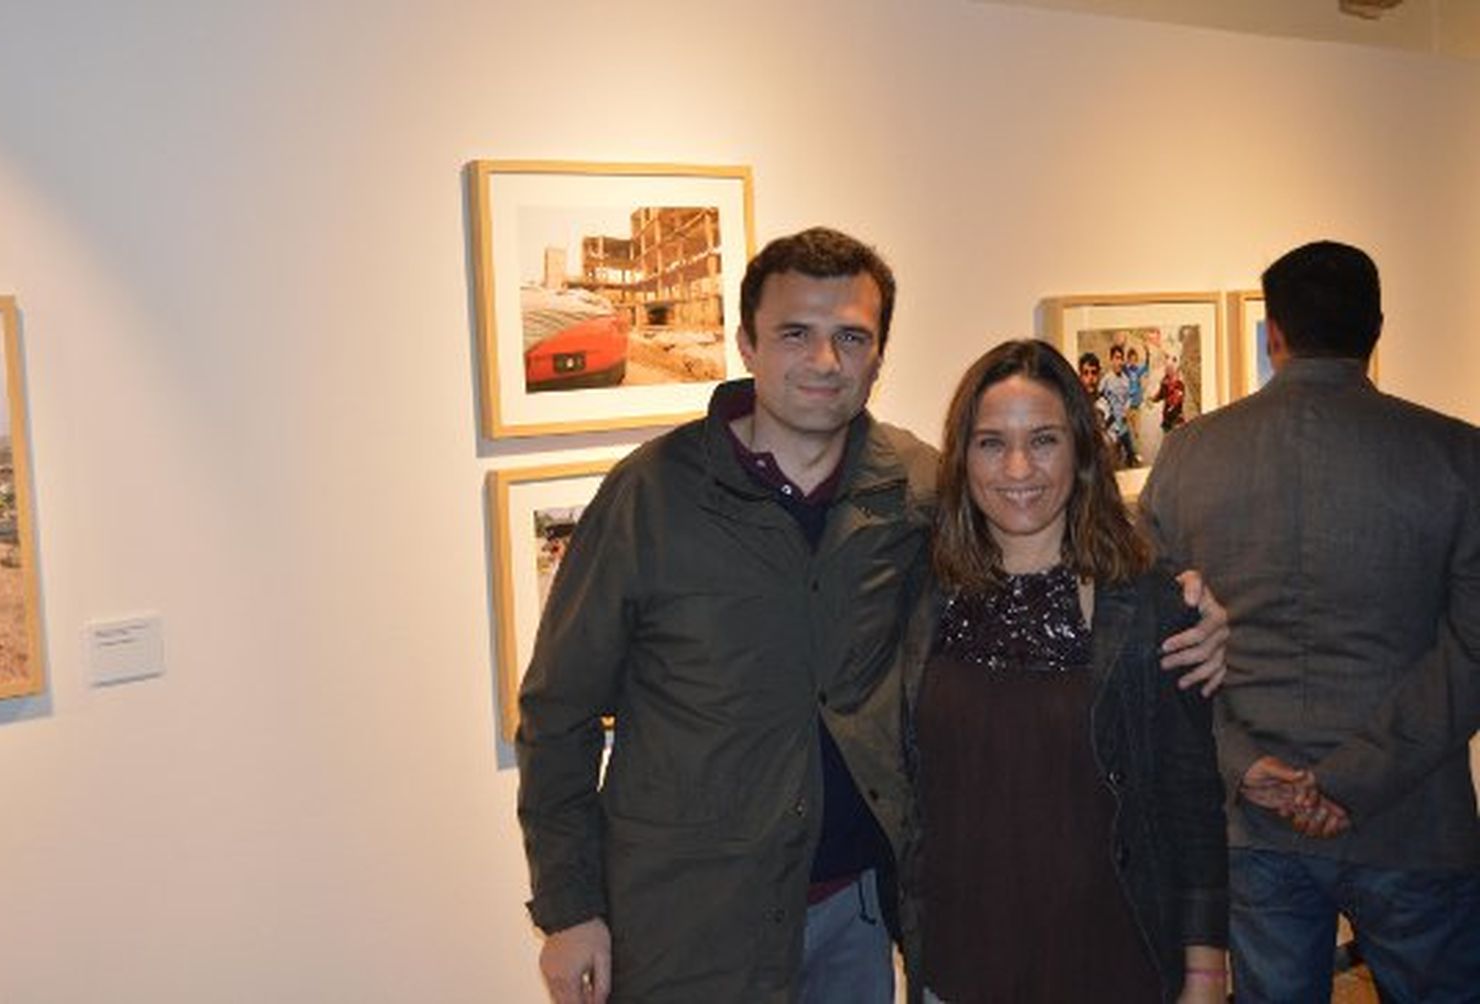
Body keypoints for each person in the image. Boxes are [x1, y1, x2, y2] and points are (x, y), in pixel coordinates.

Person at [515, 228, 1230, 1004]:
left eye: (851, 336)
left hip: (856, 918)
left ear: (878, 358)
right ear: (747, 343)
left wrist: (1186, 598)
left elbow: (1049, 512)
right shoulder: (651, 497)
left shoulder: (915, 483)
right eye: (796, 333)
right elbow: (559, 715)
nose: (825, 362)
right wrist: (571, 908)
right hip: (691, 924)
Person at [1139, 239, 1480, 1002]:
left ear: (1273, 334)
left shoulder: (1189, 454)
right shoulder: (1459, 456)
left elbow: (1156, 645)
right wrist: (1348, 780)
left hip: (1252, 818)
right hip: (1413, 821)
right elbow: (1472, 655)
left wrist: (1243, 765)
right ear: (1378, 328)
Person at [904, 340, 1228, 1003]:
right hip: (959, 966)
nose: (1019, 467)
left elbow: (1190, 802)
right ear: (961, 457)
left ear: (1081, 449)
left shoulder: (1149, 605)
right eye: (992, 443)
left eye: (1044, 439)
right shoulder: (920, 592)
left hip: (1111, 963)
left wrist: (1203, 975)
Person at [1099, 343, 1138, 467]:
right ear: (1111, 360)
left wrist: (1126, 409)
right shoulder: (1106, 380)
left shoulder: (1126, 380)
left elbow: (1129, 398)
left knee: (1130, 454)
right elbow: (1098, 399)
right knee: (1113, 459)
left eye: (1121, 358)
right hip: (1111, 428)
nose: (1119, 361)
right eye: (1116, 358)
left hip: (1124, 427)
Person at [1151, 355, 1186, 432]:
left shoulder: (1179, 384)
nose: (1168, 371)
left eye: (1170, 369)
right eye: (1167, 369)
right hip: (1167, 418)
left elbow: (1177, 401)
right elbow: (1160, 395)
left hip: (1176, 418)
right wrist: (1153, 399)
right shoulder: (1164, 382)